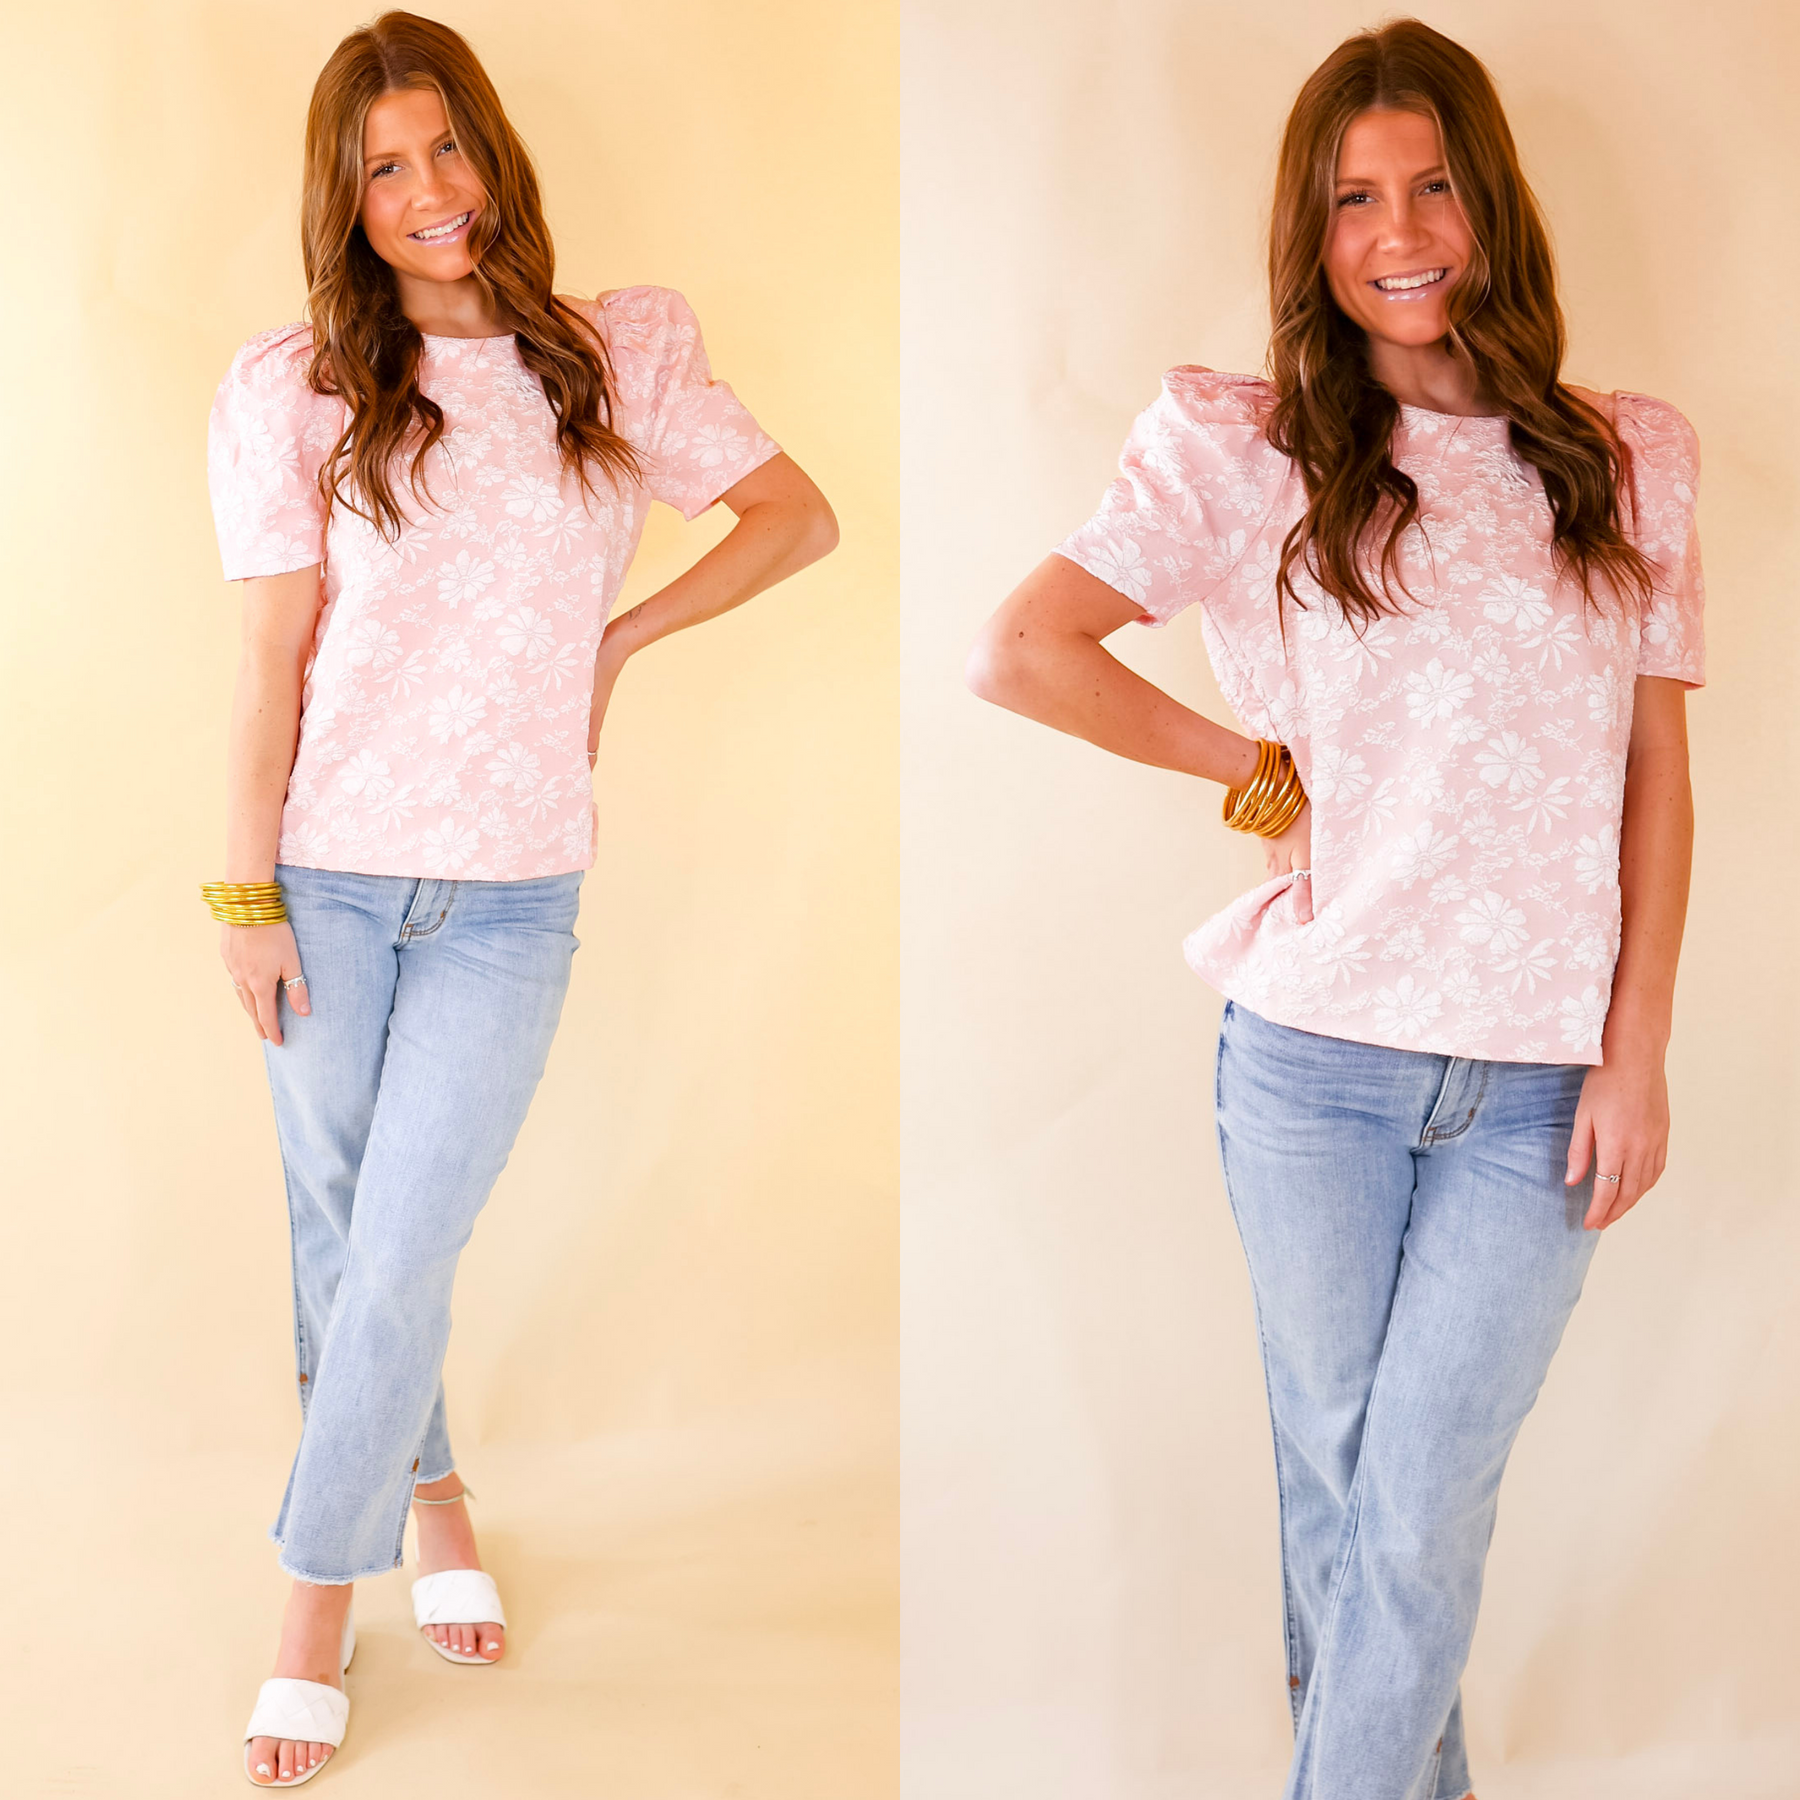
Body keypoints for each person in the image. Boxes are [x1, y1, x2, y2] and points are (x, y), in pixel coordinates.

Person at [966, 19, 1701, 1800]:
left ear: (1492, 202)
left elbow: (1656, 778)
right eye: (1355, 198)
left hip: (1539, 1078)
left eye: (1433, 185)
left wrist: (1638, 1050)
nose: (1400, 231)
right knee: (1344, 1483)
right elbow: (1023, 648)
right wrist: (1253, 769)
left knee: (1417, 1501)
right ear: (1311, 231)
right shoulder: (1252, 449)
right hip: (1314, 1068)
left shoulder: (1626, 458)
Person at [206, 13, 836, 1786]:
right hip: (325, 877)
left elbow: (795, 518)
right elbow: (268, 664)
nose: (429, 192)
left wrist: (616, 643)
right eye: (383, 168)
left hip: (510, 893)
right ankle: (431, 1497)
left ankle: (308, 1605)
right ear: (344, 198)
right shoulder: (297, 388)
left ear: (492, 150)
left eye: (448, 147)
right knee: (346, 1239)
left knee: (401, 1244)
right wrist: (242, 895)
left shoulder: (612, 357)